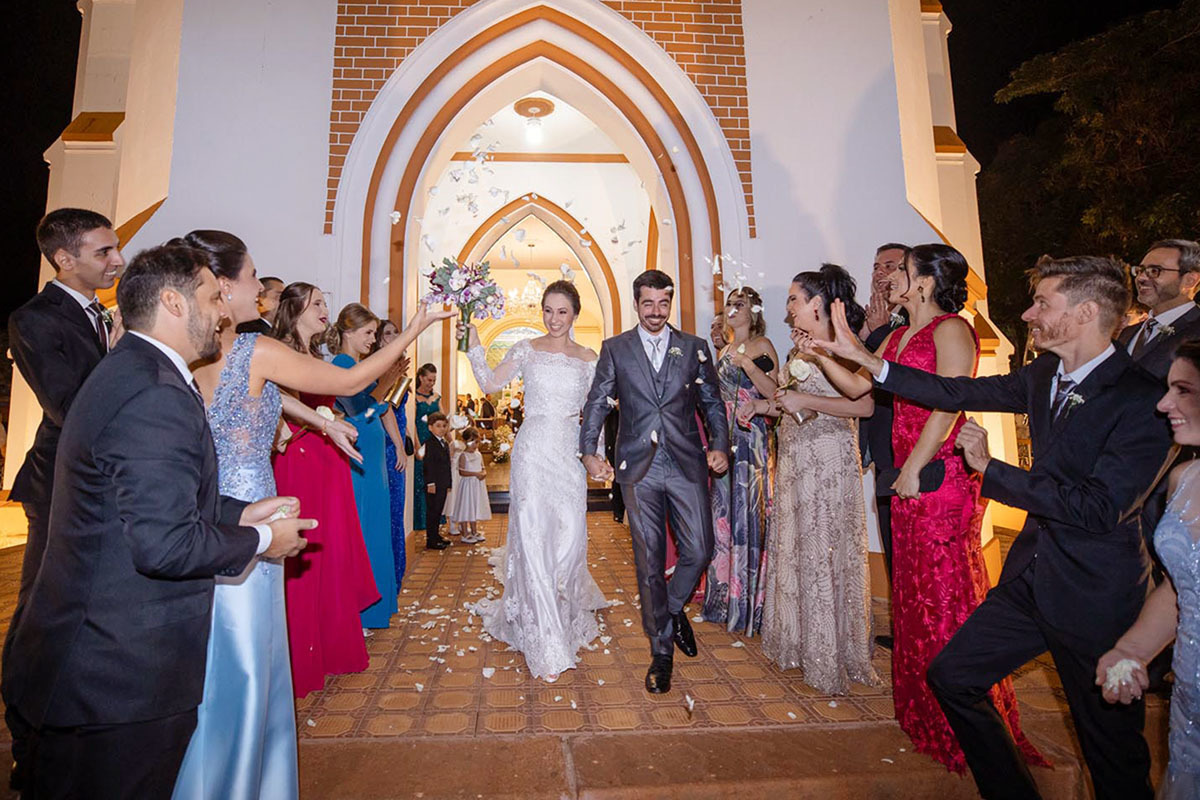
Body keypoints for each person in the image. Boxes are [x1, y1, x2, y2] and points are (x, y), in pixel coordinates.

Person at [814, 253, 1170, 798]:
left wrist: (991, 470)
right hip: (1031, 577)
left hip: (1094, 594)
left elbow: (1100, 509)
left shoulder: (1143, 399)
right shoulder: (1044, 373)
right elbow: (958, 391)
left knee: (1111, 754)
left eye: (1042, 303)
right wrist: (869, 361)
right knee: (953, 677)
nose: (1027, 314)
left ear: (1085, 313)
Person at [1, 244, 312, 799]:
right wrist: (264, 539)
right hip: (115, 674)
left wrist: (241, 511)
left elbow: (149, 499)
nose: (222, 312)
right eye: (212, 298)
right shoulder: (153, 393)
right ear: (173, 302)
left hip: (102, 660)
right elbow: (164, 544)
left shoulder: (137, 370)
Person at [811, 244, 1045, 774]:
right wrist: (823, 354)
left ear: (923, 282)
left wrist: (915, 466)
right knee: (912, 590)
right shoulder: (896, 335)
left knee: (944, 590)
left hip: (940, 477)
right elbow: (861, 386)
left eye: (901, 269)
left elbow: (948, 401)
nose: (890, 277)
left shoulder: (952, 329)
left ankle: (962, 718)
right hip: (907, 474)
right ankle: (923, 711)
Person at [580, 270, 729, 694]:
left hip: (686, 463)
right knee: (649, 561)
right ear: (636, 303)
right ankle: (661, 651)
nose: (656, 312)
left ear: (670, 302)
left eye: (663, 303)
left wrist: (720, 444)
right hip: (637, 467)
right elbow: (597, 401)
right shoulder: (616, 349)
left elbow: (712, 402)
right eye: (648, 303)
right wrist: (589, 451)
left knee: (700, 548)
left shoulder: (694, 348)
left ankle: (672, 607)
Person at [742, 265, 877, 694]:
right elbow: (790, 403)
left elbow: (863, 405)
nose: (788, 309)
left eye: (793, 300)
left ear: (816, 303)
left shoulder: (843, 343)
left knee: (825, 550)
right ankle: (801, 644)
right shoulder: (797, 348)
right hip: (796, 458)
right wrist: (759, 408)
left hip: (828, 458)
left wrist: (809, 388)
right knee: (801, 547)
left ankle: (831, 652)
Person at [462, 280, 606, 681]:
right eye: (548, 310)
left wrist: (598, 455)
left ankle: (560, 614)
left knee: (569, 541)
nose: (554, 319)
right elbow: (490, 383)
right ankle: (546, 638)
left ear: (574, 314)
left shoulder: (589, 358)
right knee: (533, 539)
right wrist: (474, 343)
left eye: (562, 311)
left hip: (569, 453)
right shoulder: (526, 349)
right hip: (532, 451)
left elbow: (595, 413)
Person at [270, 284, 410, 695]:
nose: (325, 310)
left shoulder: (314, 357)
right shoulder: (281, 353)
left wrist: (334, 419)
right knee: (311, 554)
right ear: (295, 309)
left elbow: (340, 403)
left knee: (333, 551)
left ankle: (328, 640)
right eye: (317, 303)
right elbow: (343, 394)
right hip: (306, 457)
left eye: (326, 303)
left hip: (329, 455)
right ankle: (308, 648)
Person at [7, 209, 123, 625]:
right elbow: (68, 408)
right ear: (64, 259)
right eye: (104, 252)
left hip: (102, 474)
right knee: (43, 597)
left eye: (116, 248)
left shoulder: (101, 312)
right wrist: (120, 356)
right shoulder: (34, 319)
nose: (118, 260)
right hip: (60, 478)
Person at [1096, 339, 1200, 799]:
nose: (1163, 404)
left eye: (1183, 390)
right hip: (1190, 707)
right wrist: (1131, 650)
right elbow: (1183, 587)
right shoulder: (1184, 479)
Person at [702, 287, 777, 636]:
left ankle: (749, 603)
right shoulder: (724, 350)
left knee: (748, 515)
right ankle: (723, 600)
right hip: (725, 438)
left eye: (739, 304)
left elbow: (775, 395)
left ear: (753, 311)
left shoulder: (762, 346)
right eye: (729, 303)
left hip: (751, 437)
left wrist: (747, 364)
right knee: (723, 516)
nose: (732, 309)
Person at [332, 303, 406, 631]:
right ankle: (362, 610)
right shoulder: (342, 364)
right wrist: (385, 381)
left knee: (375, 525)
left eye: (375, 333)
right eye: (368, 333)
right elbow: (360, 410)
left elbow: (376, 407)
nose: (373, 339)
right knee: (364, 528)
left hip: (372, 455)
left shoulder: (358, 365)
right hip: (359, 454)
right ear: (348, 332)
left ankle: (377, 606)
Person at [859, 244, 910, 648]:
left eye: (889, 266)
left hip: (908, 446)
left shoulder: (915, 320)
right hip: (882, 445)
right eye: (876, 267)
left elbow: (900, 377)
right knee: (891, 537)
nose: (880, 273)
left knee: (908, 542)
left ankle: (914, 626)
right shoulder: (872, 318)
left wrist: (876, 333)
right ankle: (903, 625)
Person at [1119, 239, 1200, 380]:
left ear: (1190, 280)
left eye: (1154, 271)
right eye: (1140, 270)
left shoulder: (1196, 332)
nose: (1141, 278)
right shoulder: (1128, 333)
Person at [371, 319, 413, 590]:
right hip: (385, 442)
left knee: (396, 510)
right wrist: (398, 443)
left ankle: (395, 575)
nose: (394, 337)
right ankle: (386, 577)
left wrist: (409, 438)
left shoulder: (397, 367)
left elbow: (399, 410)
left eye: (397, 332)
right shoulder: (377, 367)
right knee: (387, 511)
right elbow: (383, 407)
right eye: (388, 333)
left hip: (397, 437)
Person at [413, 363, 441, 531]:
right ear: (421, 378)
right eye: (429, 380)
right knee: (421, 481)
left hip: (435, 443)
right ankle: (421, 520)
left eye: (434, 380)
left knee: (436, 482)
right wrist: (417, 446)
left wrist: (450, 443)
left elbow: (443, 420)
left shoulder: (437, 397)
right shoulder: (414, 398)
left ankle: (435, 521)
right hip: (422, 441)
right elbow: (413, 423)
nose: (432, 383)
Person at [450, 427, 491, 544]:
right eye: (471, 442)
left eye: (477, 442)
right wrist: (475, 474)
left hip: (477, 485)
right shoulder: (463, 455)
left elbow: (483, 467)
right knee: (466, 507)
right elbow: (462, 472)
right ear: (465, 441)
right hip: (467, 485)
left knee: (474, 507)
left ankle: (474, 531)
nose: (474, 445)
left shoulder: (478, 455)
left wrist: (483, 473)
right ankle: (465, 533)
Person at [421, 413, 454, 550]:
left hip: (443, 482)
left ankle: (436, 535)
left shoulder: (444, 443)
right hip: (434, 484)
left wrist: (449, 483)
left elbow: (447, 465)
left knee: (438, 510)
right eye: (438, 426)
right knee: (433, 511)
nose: (442, 429)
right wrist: (430, 483)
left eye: (444, 426)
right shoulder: (430, 444)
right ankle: (431, 540)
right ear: (430, 427)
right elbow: (428, 465)